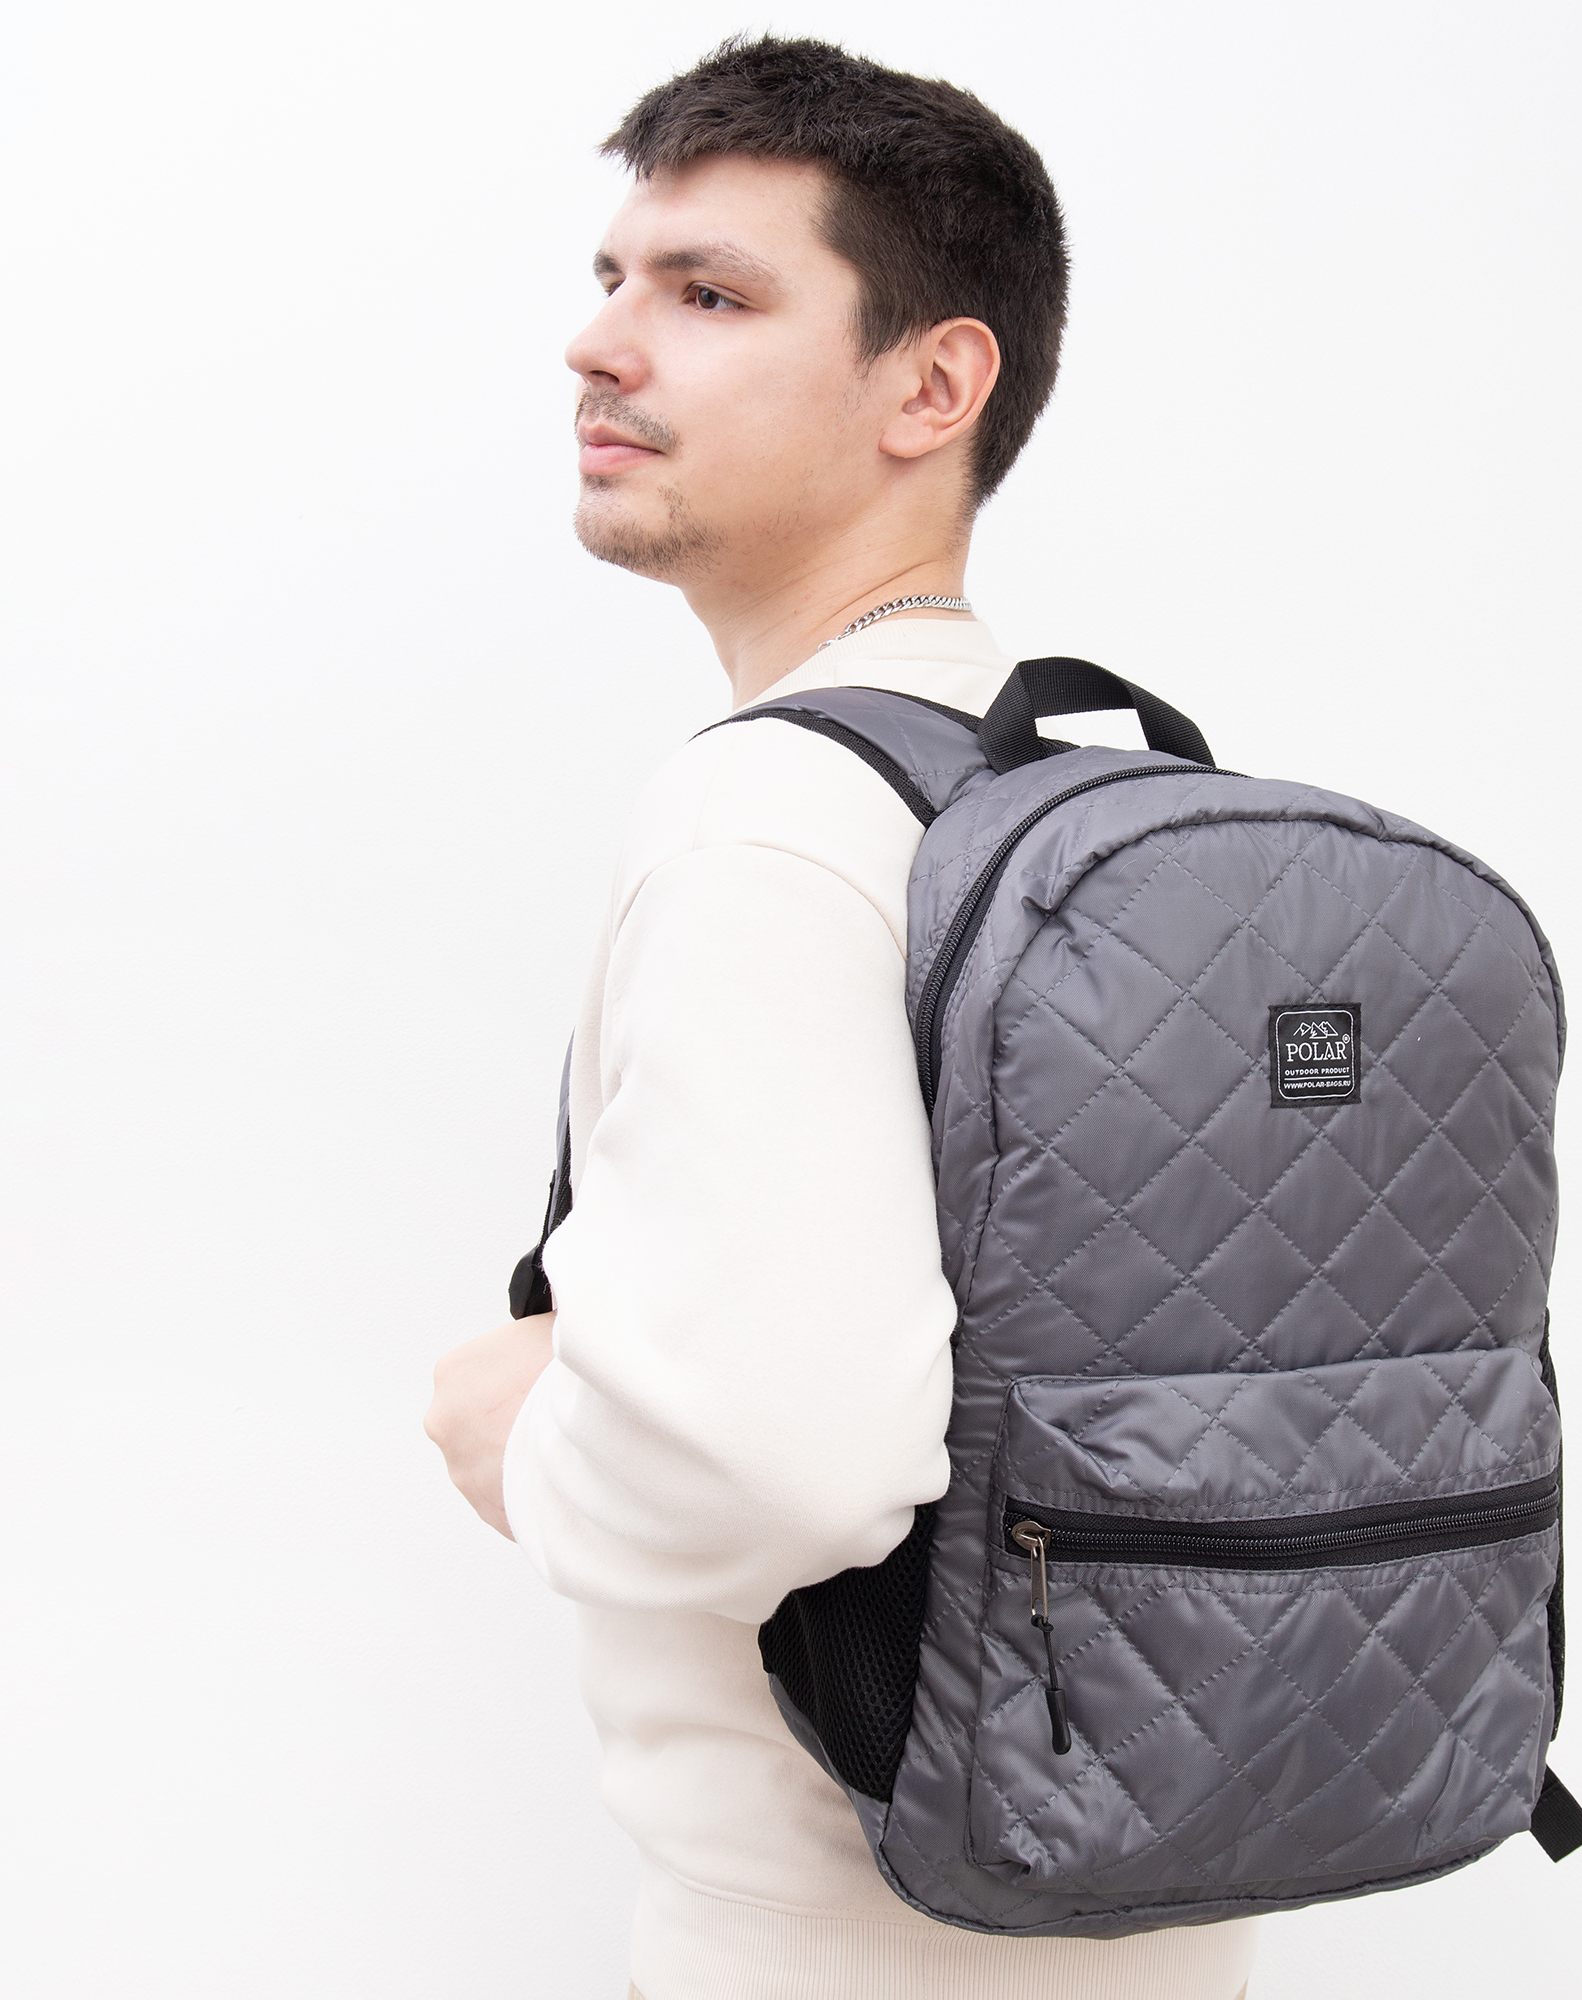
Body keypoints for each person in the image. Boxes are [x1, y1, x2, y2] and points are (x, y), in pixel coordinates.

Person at [423, 31, 1263, 2000]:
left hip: (834, 1945)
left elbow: (785, 1458)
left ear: (932, 385)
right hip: (1153, 1909)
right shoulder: (1082, 802)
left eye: (709, 294)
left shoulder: (775, 816)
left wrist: (521, 1434)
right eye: (612, 279)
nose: (600, 344)